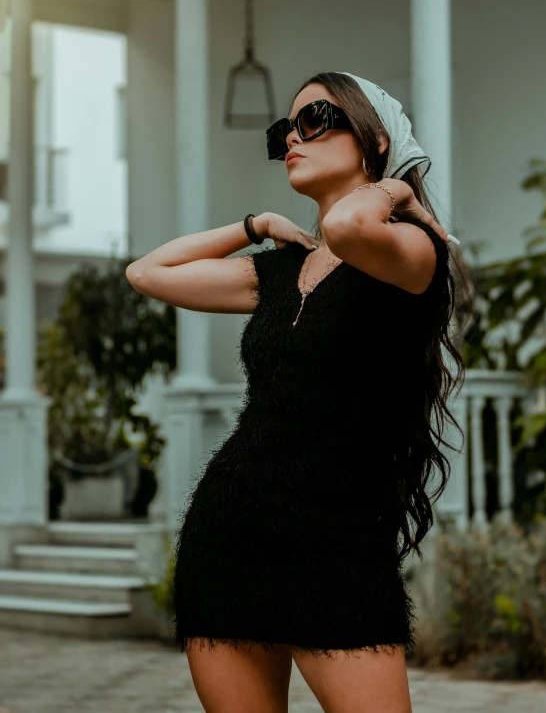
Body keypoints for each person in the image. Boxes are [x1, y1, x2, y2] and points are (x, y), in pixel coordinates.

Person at [126, 71, 470, 713]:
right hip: (229, 535)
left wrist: (395, 184)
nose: (291, 138)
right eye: (283, 129)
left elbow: (349, 231)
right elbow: (147, 272)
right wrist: (254, 225)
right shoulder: (281, 271)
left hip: (337, 546)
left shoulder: (415, 252)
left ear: (375, 138)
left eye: (313, 119)